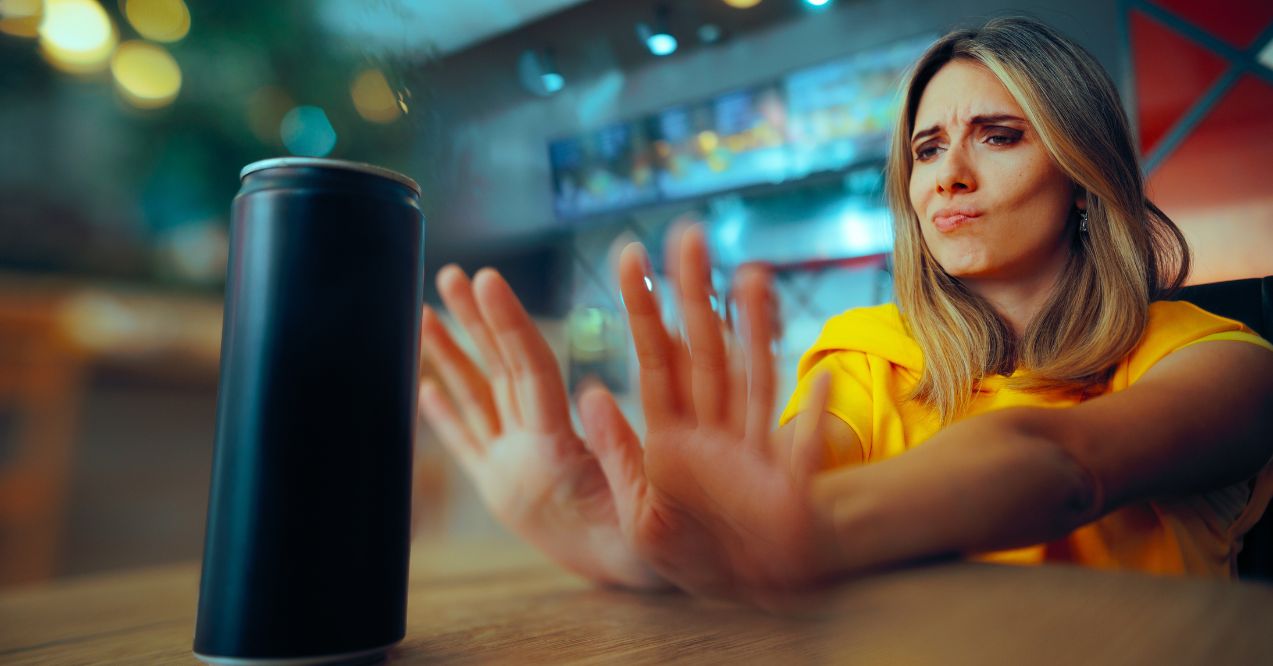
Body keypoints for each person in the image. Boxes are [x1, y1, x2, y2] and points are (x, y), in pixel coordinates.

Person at [417, 16, 1273, 602]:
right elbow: (781, 486)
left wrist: (792, 534)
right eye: (927, 148)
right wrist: (650, 537)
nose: (946, 175)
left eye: (998, 135)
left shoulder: (1221, 361)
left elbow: (1061, 465)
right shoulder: (868, 349)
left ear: (1084, 175)